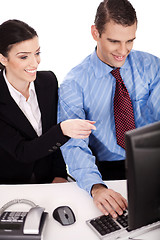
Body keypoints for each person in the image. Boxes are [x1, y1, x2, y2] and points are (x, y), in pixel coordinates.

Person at [58, 0, 160, 218]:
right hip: (106, 170)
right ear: (95, 33)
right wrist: (96, 187)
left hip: (152, 159)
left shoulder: (151, 66)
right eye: (114, 41)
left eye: (130, 41)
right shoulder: (74, 83)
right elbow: (74, 145)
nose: (123, 51)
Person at [0, 19, 96, 184]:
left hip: (49, 180)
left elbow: (52, 133)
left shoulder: (48, 81)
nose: (35, 62)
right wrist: (62, 130)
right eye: (24, 57)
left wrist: (59, 174)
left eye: (37, 53)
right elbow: (21, 151)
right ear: (3, 59)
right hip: (11, 186)